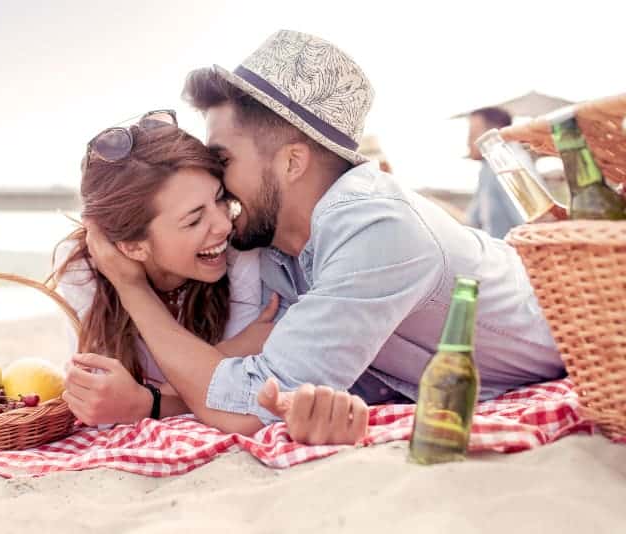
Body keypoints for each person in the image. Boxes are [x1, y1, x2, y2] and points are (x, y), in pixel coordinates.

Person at [81, 30, 566, 445]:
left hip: (578, 331)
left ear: (292, 162)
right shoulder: (276, 245)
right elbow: (263, 390)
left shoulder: (377, 230)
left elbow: (247, 408)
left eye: (223, 160)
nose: (217, 182)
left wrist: (131, 287)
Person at [53, 111, 368, 444]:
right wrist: (231, 351)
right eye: (194, 220)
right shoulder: (84, 270)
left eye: (219, 199)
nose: (224, 225)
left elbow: (244, 394)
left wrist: (146, 400)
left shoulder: (241, 256)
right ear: (132, 247)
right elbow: (101, 403)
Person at [465, 107, 539, 238]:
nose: (467, 142)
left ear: (493, 134)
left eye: (472, 135)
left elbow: (534, 226)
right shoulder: (487, 169)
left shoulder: (509, 165)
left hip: (516, 255)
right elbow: (472, 221)